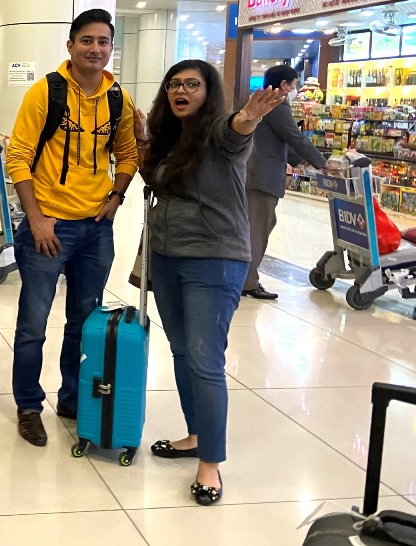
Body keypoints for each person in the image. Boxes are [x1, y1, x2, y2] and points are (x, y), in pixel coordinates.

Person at [131, 59, 284, 505]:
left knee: (204, 359)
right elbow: (154, 179)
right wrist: (142, 140)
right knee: (181, 350)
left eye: (192, 85)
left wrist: (248, 117)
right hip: (167, 256)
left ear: (208, 91)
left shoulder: (219, 130)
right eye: (175, 84)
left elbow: (236, 134)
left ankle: (210, 463)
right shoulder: (171, 135)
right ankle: (196, 434)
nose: (181, 91)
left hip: (214, 260)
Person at [5, 8, 139, 448]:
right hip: (49, 224)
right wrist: (37, 219)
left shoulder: (119, 98)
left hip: (95, 229)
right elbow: (18, 156)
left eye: (103, 41)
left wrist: (116, 197)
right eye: (87, 40)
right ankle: (28, 405)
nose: (95, 49)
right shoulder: (46, 91)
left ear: (111, 47)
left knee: (84, 320)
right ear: (71, 45)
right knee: (33, 323)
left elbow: (129, 154)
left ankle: (72, 398)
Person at [243, 65, 335, 300]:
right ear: (284, 84)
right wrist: (321, 162)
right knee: (258, 229)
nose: (295, 89)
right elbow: (293, 136)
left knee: (261, 224)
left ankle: (244, 278)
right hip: (262, 177)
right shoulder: (276, 103)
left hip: (254, 173)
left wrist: (301, 160)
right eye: (294, 84)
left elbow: (279, 139)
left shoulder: (261, 101)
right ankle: (248, 282)